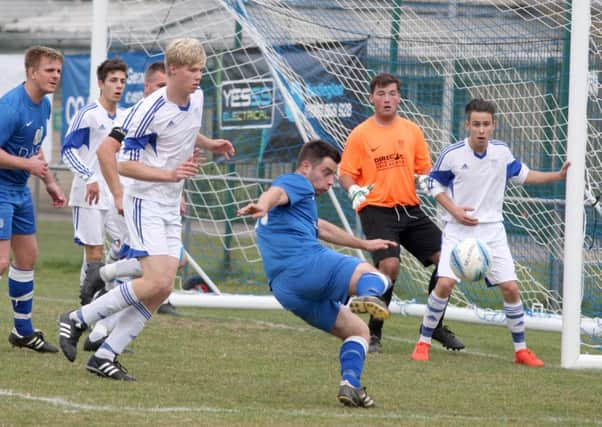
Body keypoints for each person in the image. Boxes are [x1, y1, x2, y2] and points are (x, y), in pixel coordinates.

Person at [58, 38, 235, 380]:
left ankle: (106, 354)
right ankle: (78, 319)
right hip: (146, 200)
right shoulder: (148, 110)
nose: (199, 76)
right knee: (155, 279)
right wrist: (168, 175)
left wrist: (209, 143)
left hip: (170, 202)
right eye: (192, 70)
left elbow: (186, 128)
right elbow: (122, 164)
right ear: (172, 71)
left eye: (201, 69)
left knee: (163, 286)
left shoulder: (196, 98)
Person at [237, 140, 397, 408]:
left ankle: (350, 384)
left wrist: (363, 244)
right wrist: (263, 203)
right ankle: (367, 296)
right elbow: (276, 192)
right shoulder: (297, 182)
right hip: (306, 265)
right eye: (327, 172)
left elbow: (321, 228)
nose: (331, 181)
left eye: (334, 174)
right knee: (380, 278)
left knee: (358, 331)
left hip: (286, 290)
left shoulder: (300, 205)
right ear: (306, 166)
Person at [411, 98, 570, 366]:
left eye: (486, 124)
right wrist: (455, 210)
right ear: (467, 125)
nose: (481, 130)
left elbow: (525, 174)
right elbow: (433, 186)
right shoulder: (452, 154)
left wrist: (557, 176)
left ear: (493, 125)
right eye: (476, 124)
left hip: (493, 231)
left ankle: (521, 350)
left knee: (510, 288)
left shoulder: (501, 152)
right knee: (445, 283)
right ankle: (423, 342)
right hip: (458, 229)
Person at [339, 72, 464, 353]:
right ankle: (373, 333)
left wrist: (442, 186)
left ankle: (435, 326)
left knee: (448, 261)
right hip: (376, 211)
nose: (387, 99)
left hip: (409, 209)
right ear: (372, 98)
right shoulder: (360, 134)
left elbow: (425, 171)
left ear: (399, 97)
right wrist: (353, 190)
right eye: (381, 93)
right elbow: (346, 173)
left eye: (392, 93)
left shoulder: (411, 131)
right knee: (390, 266)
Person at [0, 46, 66, 353]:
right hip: (0, 190)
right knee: (1, 261)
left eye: (58, 71)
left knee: (27, 258)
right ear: (32, 72)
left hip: (20, 190)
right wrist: (28, 166)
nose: (56, 76)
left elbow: (34, 151)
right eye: (50, 70)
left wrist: (50, 182)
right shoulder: (11, 106)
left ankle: (23, 332)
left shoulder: (44, 106)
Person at [61, 58, 127, 305]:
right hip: (89, 193)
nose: (118, 86)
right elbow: (68, 150)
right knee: (93, 252)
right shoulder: (88, 114)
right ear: (101, 83)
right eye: (113, 80)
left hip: (115, 192)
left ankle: (100, 288)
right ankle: (87, 308)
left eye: (122, 81)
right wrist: (88, 176)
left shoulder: (125, 116)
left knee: (126, 243)